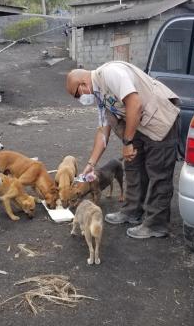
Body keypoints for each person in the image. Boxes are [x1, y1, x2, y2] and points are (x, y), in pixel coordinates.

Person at [66, 61, 180, 239]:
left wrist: (127, 142)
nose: (79, 99)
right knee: (133, 166)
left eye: (76, 95)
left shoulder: (111, 73)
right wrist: (91, 163)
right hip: (140, 127)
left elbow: (134, 104)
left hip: (160, 122)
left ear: (83, 84)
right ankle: (132, 211)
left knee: (159, 175)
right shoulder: (100, 95)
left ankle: (156, 224)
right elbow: (103, 131)